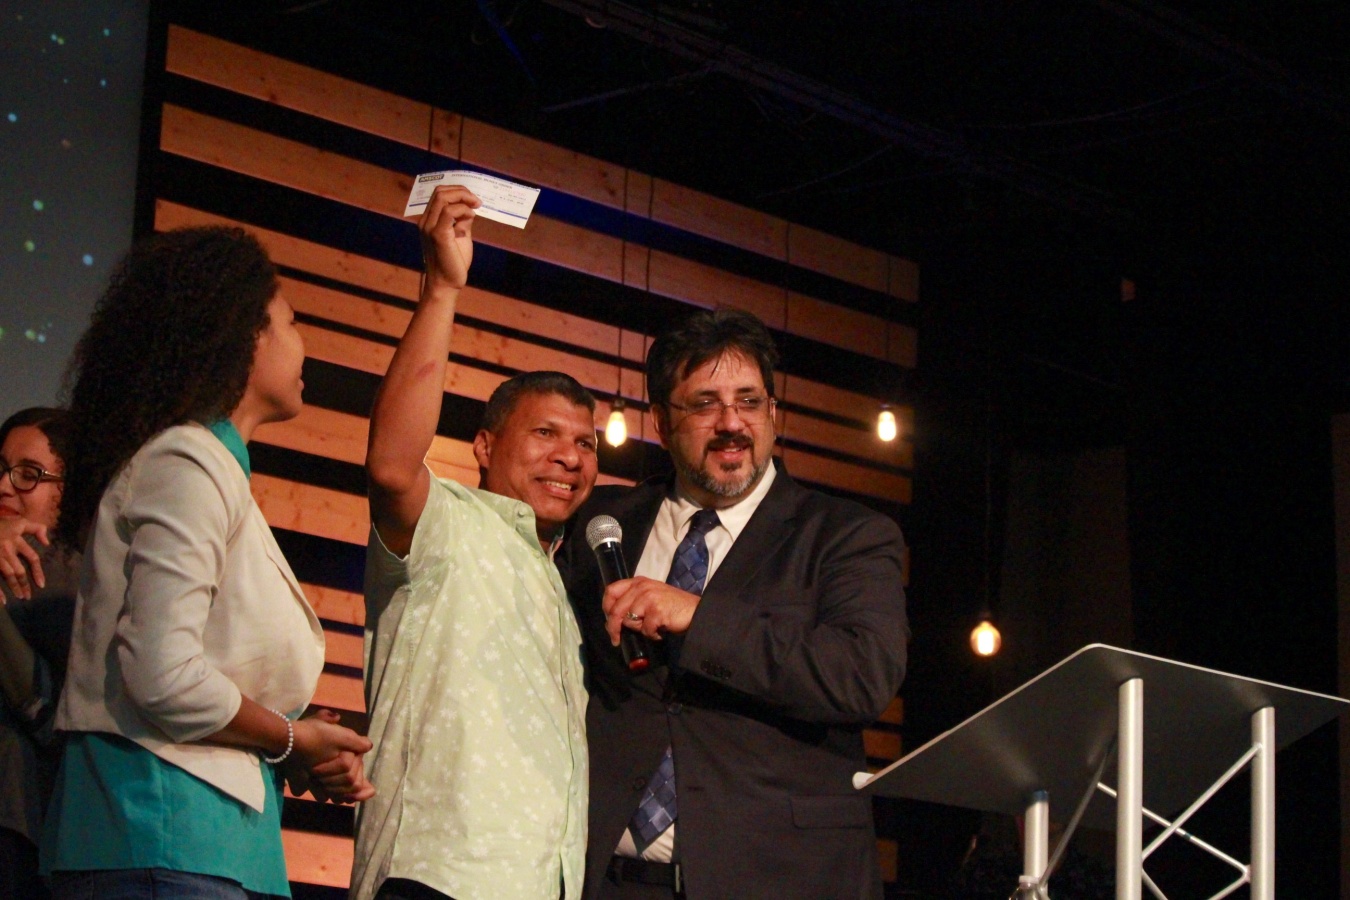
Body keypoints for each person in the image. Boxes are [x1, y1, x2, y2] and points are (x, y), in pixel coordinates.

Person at [42, 226, 375, 900]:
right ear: (245, 336)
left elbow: (205, 671)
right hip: (157, 830)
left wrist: (302, 749)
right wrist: (291, 737)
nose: (303, 344)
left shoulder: (213, 469)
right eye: (291, 321)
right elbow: (163, 675)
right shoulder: (187, 461)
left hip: (207, 843)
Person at [556, 309, 910, 899]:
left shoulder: (845, 535)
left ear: (773, 413)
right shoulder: (603, 522)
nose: (731, 423)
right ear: (661, 422)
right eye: (704, 404)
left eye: (749, 402)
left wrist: (698, 617)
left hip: (779, 881)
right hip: (610, 880)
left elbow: (860, 676)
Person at [351, 185, 597, 900]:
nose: (570, 456)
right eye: (545, 433)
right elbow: (391, 467)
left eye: (586, 444)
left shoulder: (563, 580)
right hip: (435, 876)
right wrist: (441, 290)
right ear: (485, 446)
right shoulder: (449, 522)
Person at [0, 407, 78, 900]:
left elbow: (51, 714)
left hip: (20, 828)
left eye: (29, 475)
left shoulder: (60, 571)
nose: (4, 487)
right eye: (1, 469)